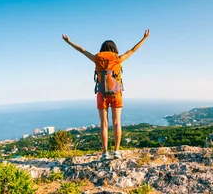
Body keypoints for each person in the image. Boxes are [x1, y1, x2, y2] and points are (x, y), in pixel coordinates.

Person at [62, 29, 150, 160]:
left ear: (102, 49)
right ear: (114, 48)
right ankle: (116, 152)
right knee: (116, 123)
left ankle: (104, 153)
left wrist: (69, 42)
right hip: (116, 94)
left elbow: (82, 50)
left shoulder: (97, 58)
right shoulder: (118, 59)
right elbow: (133, 50)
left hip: (101, 94)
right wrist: (144, 38)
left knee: (103, 124)